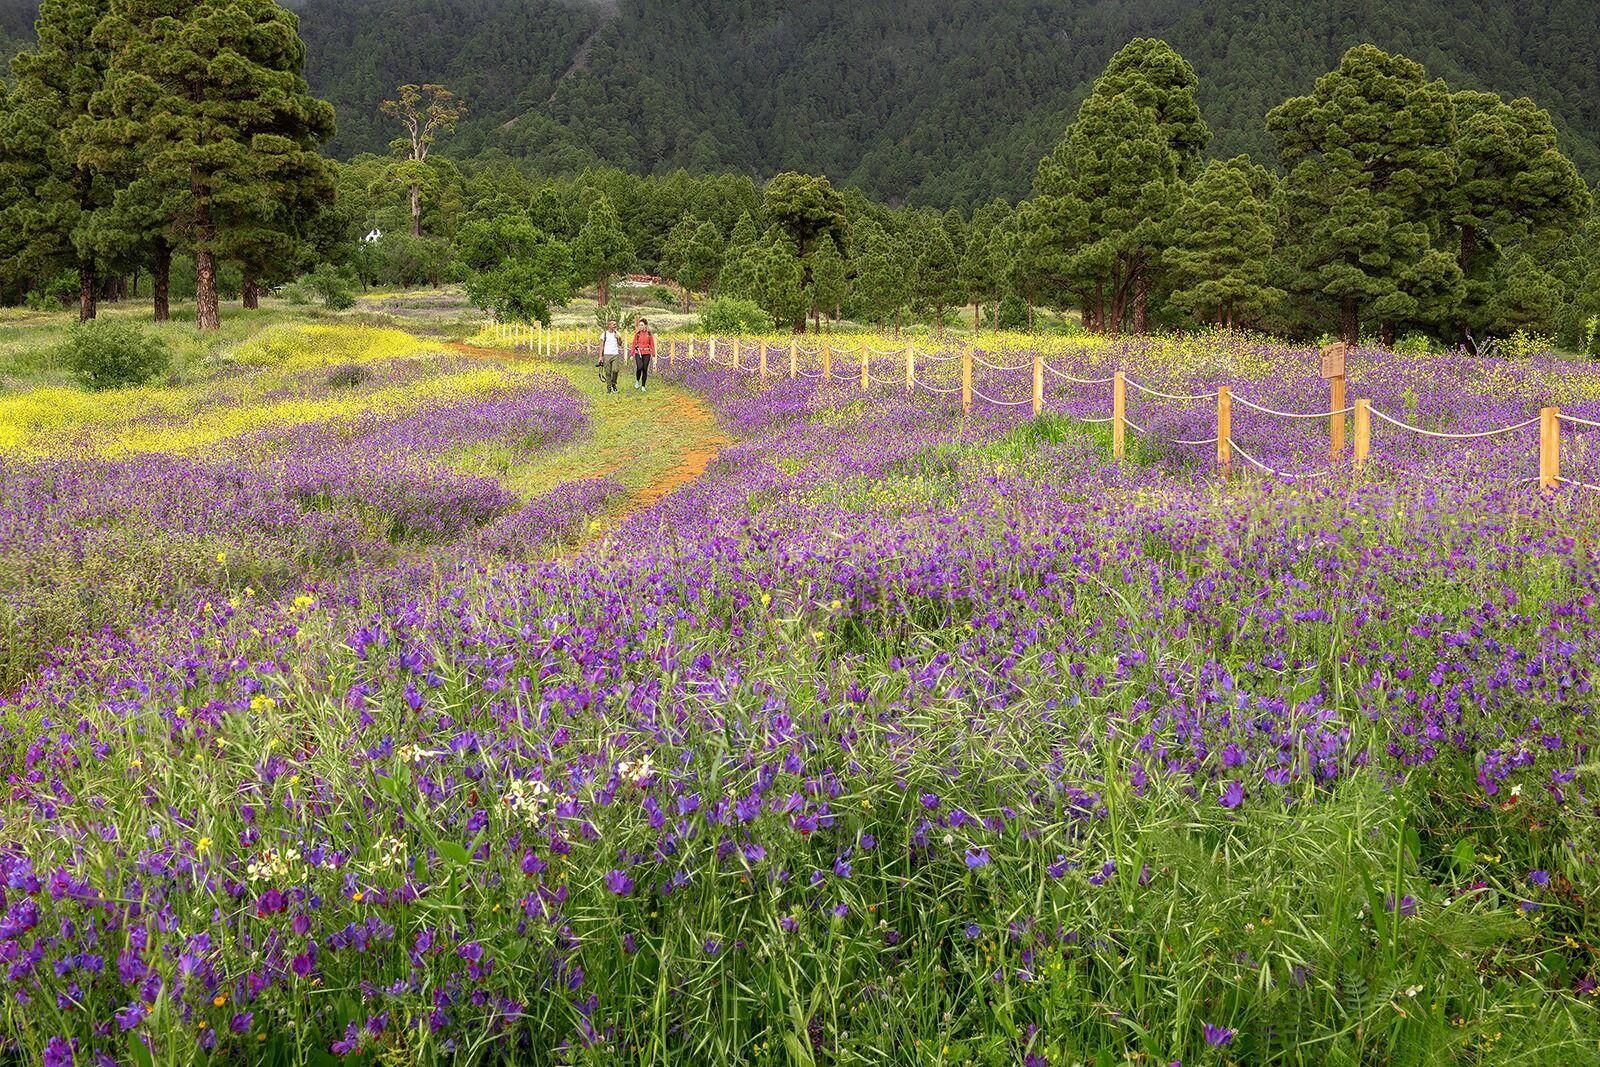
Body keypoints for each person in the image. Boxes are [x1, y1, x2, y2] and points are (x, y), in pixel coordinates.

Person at [631, 317, 656, 391]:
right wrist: (632, 354)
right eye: (639, 325)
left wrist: (653, 355)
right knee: (639, 367)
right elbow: (633, 344)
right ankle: (637, 380)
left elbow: (652, 345)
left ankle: (643, 386)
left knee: (645, 369)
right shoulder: (637, 334)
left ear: (645, 325)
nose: (640, 327)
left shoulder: (649, 334)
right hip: (638, 353)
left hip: (647, 353)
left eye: (642, 325)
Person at [598, 319, 622, 394]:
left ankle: (613, 383)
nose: (615, 325)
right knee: (608, 372)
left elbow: (620, 344)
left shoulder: (617, 333)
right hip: (606, 355)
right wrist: (600, 357)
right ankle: (609, 389)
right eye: (613, 324)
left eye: (615, 324)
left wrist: (619, 338)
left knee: (615, 370)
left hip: (615, 354)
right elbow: (601, 346)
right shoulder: (604, 334)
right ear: (609, 326)